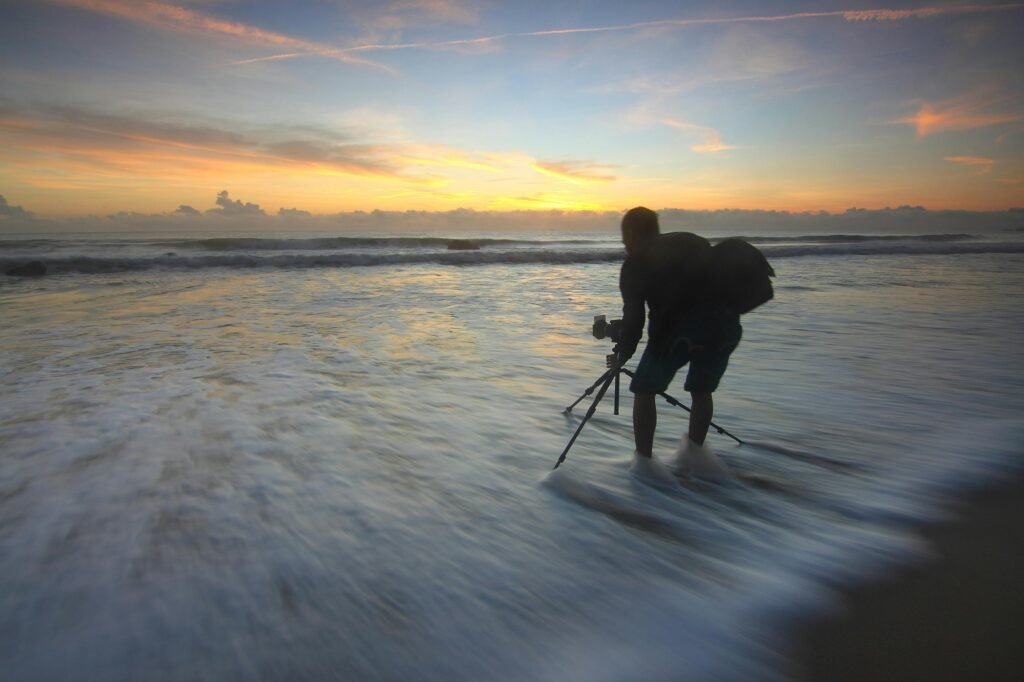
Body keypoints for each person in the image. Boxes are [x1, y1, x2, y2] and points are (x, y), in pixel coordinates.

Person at [612, 207, 740, 484]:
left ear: (632, 233)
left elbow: (634, 319)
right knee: (701, 390)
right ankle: (694, 457)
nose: (623, 244)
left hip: (679, 334)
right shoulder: (692, 240)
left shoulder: (635, 263)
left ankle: (644, 466)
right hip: (725, 327)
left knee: (644, 390)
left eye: (624, 237)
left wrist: (623, 353)